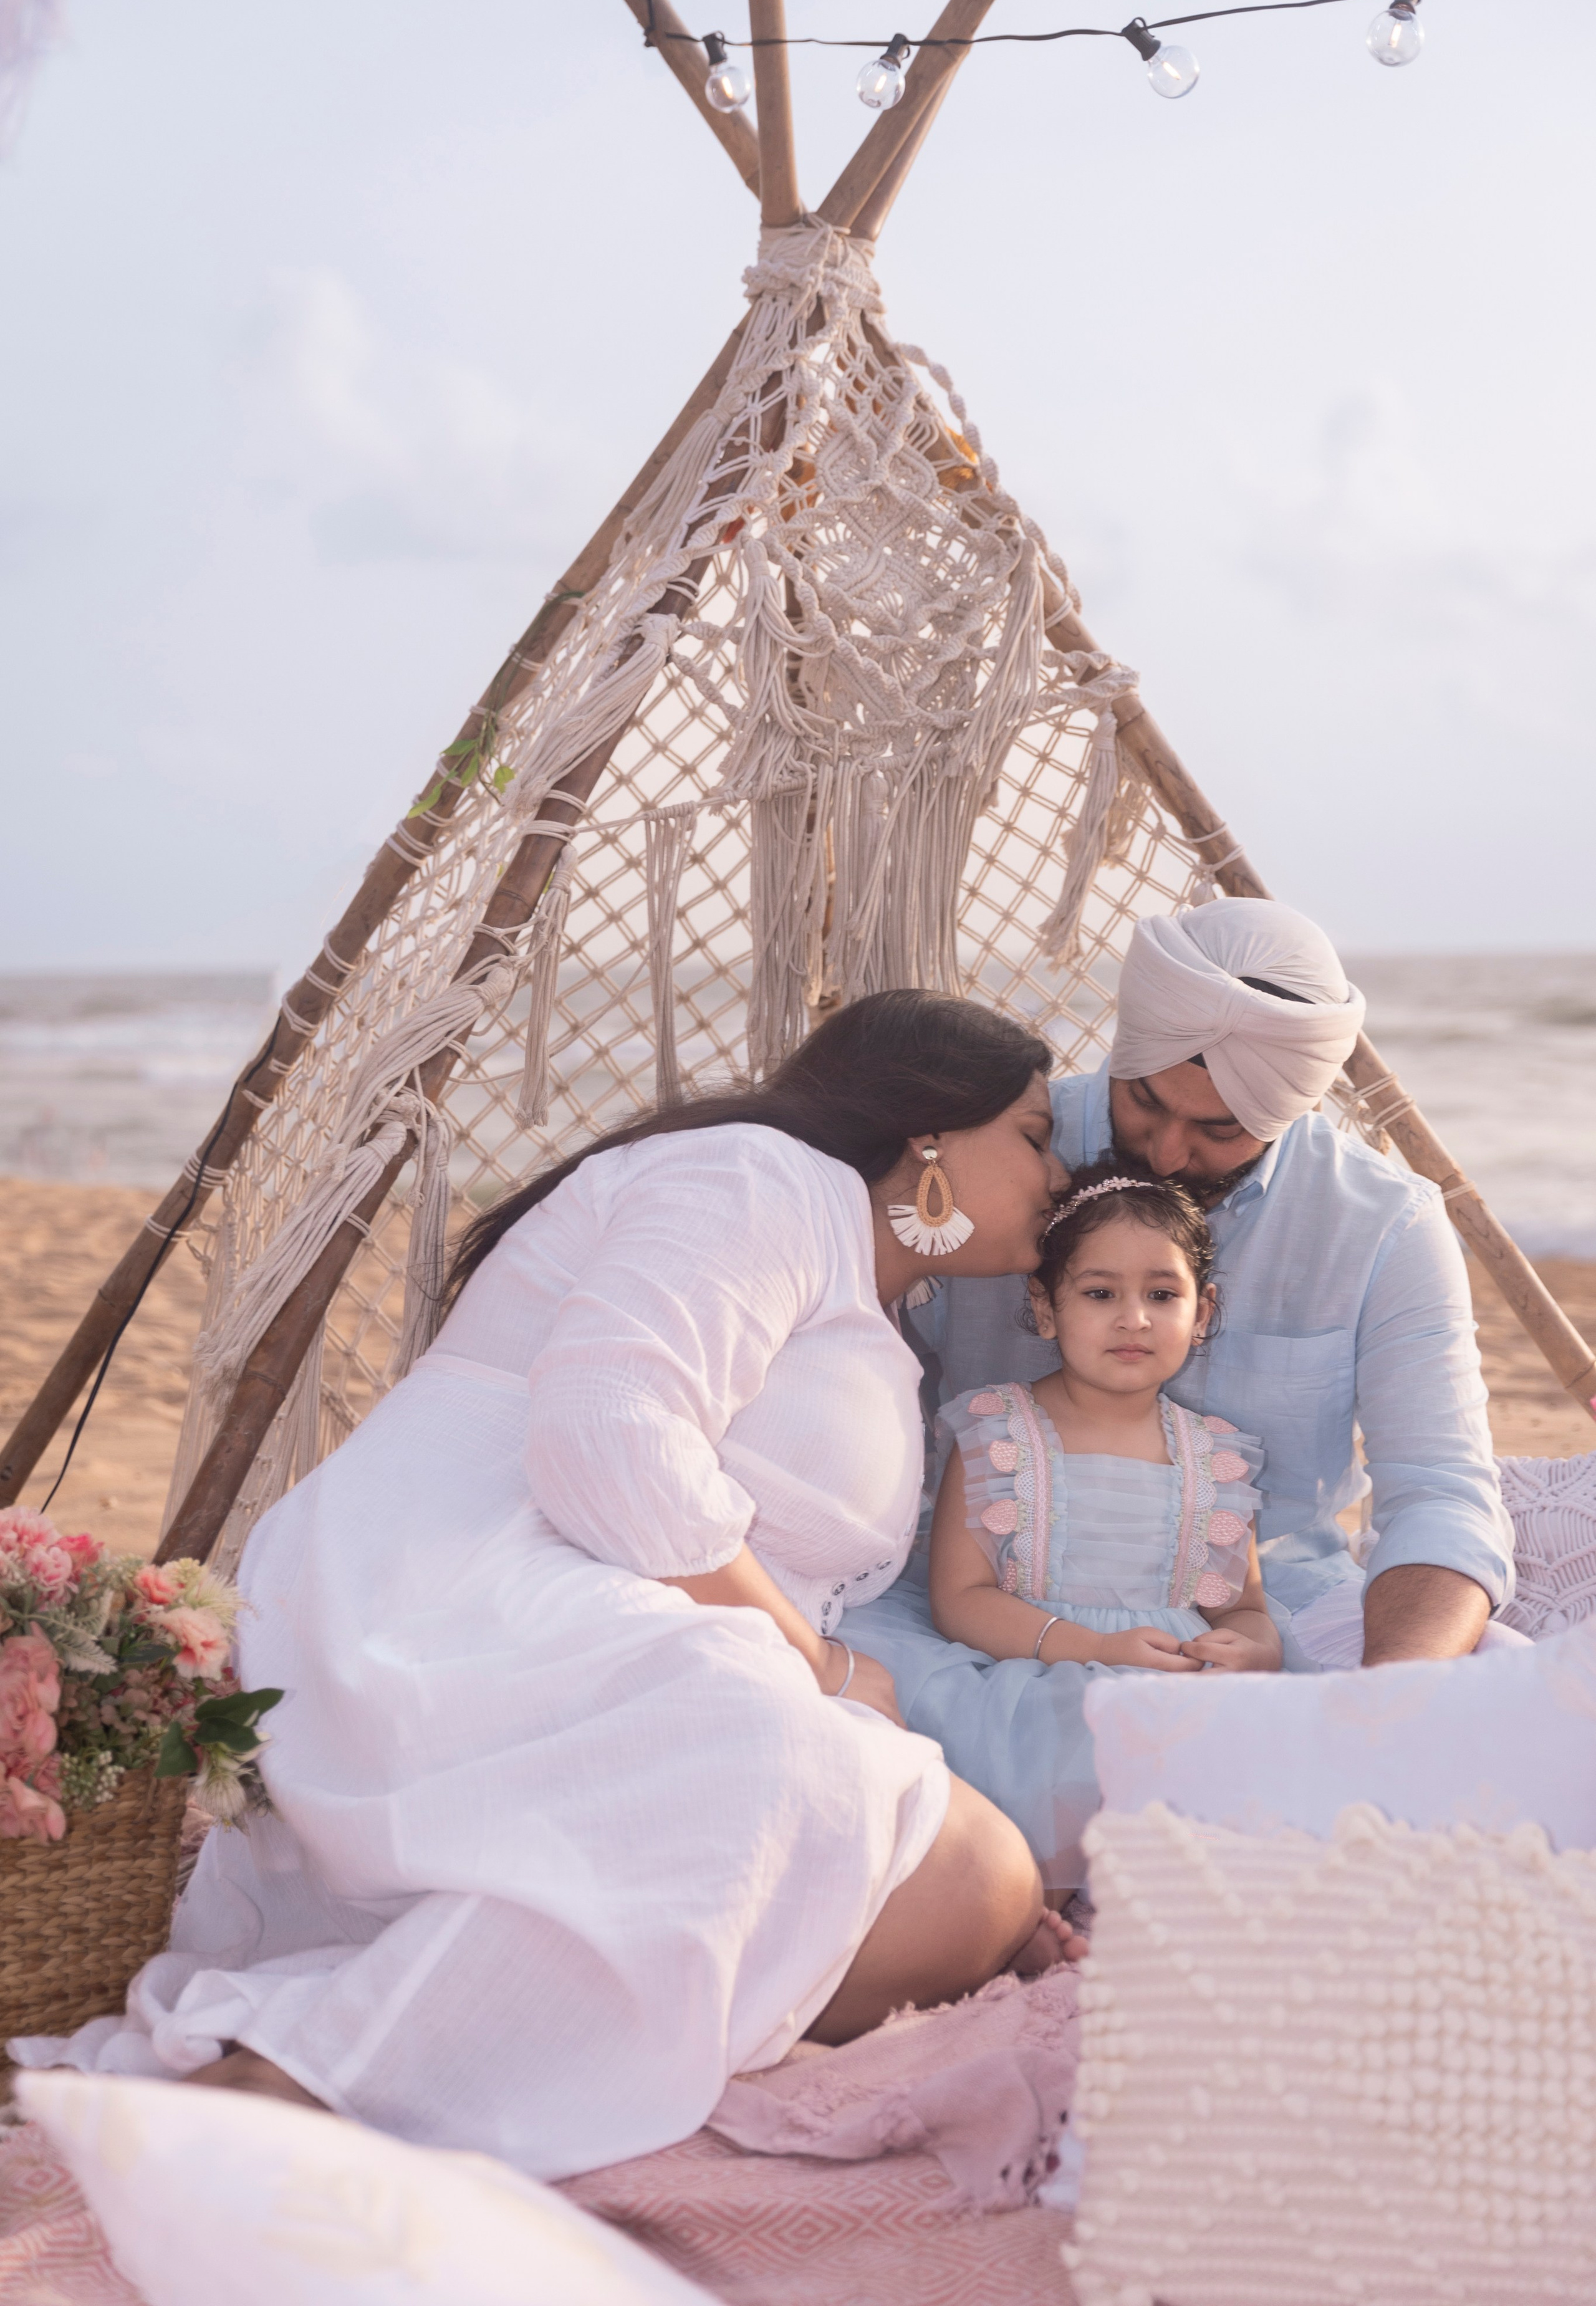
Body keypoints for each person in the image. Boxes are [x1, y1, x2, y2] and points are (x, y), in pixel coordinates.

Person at [13, 993, 1082, 2179]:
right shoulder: (758, 1178)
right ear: (933, 1136)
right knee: (847, 1800)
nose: (1058, 1171)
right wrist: (815, 1668)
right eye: (1035, 1133)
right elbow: (606, 1434)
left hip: (578, 1604)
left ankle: (390, 2025)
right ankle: (309, 2072)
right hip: (444, 1587)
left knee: (969, 1880)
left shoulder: (871, 1286)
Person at [842, 898, 1517, 1885]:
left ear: (1291, 1111)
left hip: (1264, 1614)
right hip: (980, 1606)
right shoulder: (993, 1160)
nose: (1164, 1154)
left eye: (1220, 1130)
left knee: (1488, 1733)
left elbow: (1444, 1496)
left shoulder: (1381, 1227)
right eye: (1143, 1102)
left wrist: (1383, 1702)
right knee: (838, 1709)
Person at [929, 1163, 1281, 1686]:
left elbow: (1241, 1607)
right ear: (1045, 1305)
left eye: (1162, 1295)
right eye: (1101, 1293)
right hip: (1031, 1681)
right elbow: (958, 1599)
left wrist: (1256, 1648)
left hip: (1175, 1690)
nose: (1134, 1319)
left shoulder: (1216, 1459)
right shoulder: (997, 1435)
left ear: (1202, 1314)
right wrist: (1093, 1648)